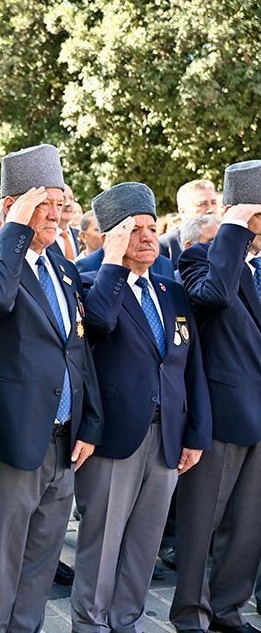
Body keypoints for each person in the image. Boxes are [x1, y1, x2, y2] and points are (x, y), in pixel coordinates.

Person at [0, 143, 104, 632]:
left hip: (62, 441)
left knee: (40, 567)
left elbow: (76, 349)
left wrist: (90, 421)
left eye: (62, 204)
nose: (58, 215)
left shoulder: (62, 267)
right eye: (45, 203)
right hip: (12, 444)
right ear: (11, 208)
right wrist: (16, 231)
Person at [71, 182, 211, 632]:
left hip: (166, 435)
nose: (149, 237)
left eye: (152, 228)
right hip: (114, 438)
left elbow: (190, 366)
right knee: (102, 543)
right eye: (135, 230)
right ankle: (90, 625)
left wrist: (195, 433)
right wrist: (113, 262)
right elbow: (99, 323)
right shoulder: (94, 283)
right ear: (113, 237)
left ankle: (126, 621)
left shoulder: (171, 290)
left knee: (144, 545)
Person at [171, 161, 261, 633]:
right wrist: (232, 229)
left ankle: (228, 609)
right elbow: (214, 298)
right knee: (201, 523)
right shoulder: (199, 259)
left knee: (247, 528)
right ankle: (190, 613)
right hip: (222, 415)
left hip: (260, 420)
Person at [158, 179, 220, 264]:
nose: (210, 209)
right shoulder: (165, 245)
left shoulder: (226, 237)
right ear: (182, 211)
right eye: (202, 204)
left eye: (214, 203)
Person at [49, 185, 82, 261]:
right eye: (62, 199)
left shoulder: (80, 235)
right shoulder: (43, 238)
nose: (68, 203)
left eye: (71, 198)